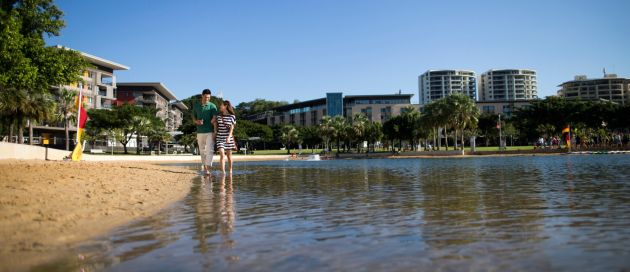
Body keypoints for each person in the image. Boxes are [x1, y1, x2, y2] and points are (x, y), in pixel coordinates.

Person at [192, 89, 218, 175]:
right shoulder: (196, 106)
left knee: (209, 150)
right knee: (202, 151)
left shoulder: (212, 106)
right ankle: (205, 166)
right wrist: (197, 122)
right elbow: (193, 118)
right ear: (202, 96)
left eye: (209, 97)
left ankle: (208, 169)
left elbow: (215, 119)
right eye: (206, 97)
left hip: (210, 131)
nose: (207, 99)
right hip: (200, 132)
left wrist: (215, 131)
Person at [216, 100, 237, 173]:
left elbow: (232, 128)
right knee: (222, 154)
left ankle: (230, 170)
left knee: (229, 156)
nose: (220, 106)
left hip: (228, 138)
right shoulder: (218, 116)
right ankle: (223, 172)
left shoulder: (232, 116)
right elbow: (216, 125)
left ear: (225, 106)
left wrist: (228, 137)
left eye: (221, 105)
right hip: (220, 137)